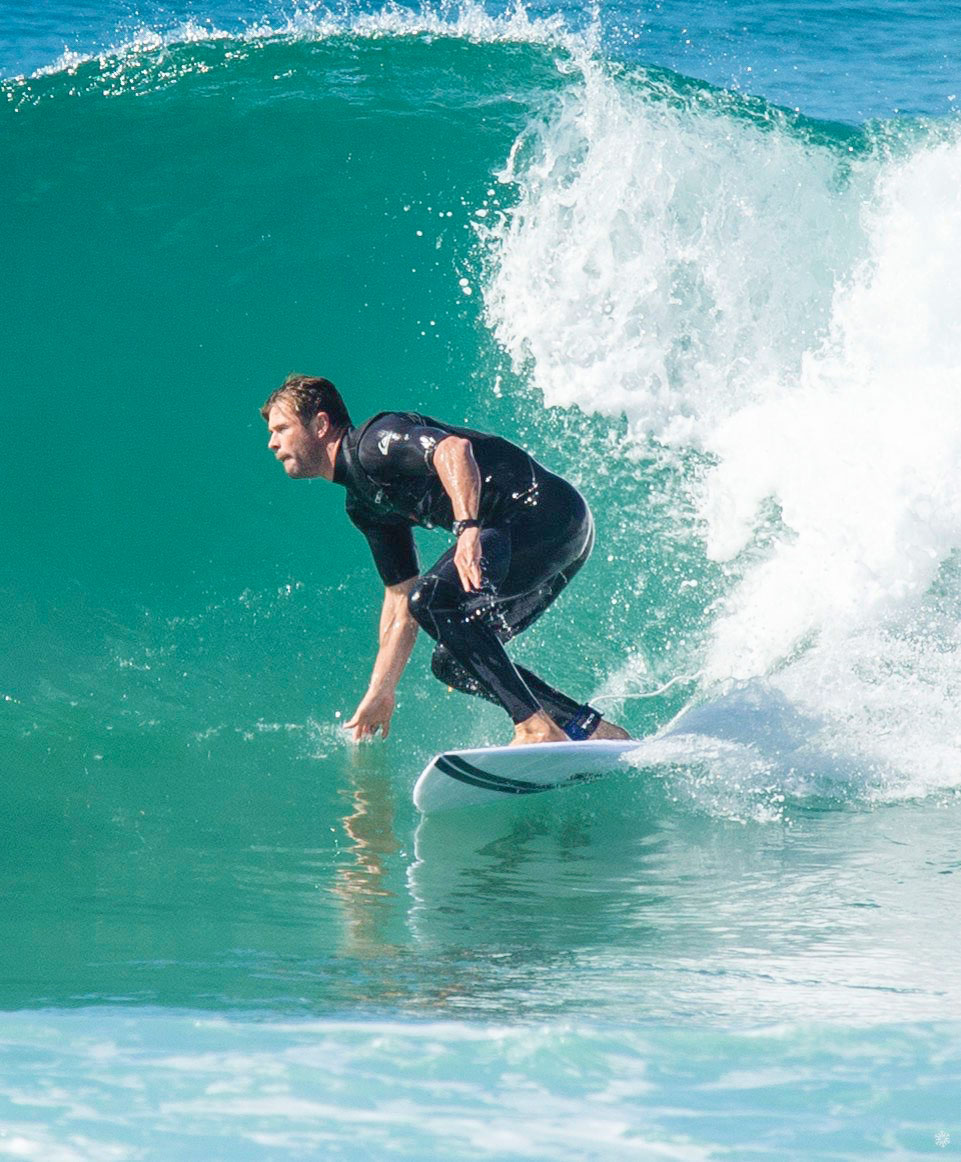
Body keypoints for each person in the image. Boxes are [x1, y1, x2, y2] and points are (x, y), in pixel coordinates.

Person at [262, 373, 630, 746]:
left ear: (321, 425)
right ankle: (592, 729)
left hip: (545, 514)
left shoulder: (375, 442)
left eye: (282, 428)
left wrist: (467, 527)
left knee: (435, 597)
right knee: (454, 660)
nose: (272, 443)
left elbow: (453, 450)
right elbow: (399, 598)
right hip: (544, 543)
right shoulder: (364, 506)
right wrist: (382, 690)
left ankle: (535, 727)